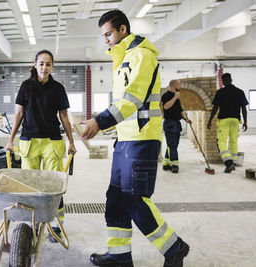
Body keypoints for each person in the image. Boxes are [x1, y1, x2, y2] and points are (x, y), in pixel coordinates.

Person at [81, 10, 189, 267]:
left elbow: (133, 99)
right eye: (103, 35)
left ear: (123, 30)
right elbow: (122, 102)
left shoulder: (141, 55)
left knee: (135, 198)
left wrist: (100, 121)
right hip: (126, 140)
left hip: (142, 139)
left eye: (108, 34)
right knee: (116, 197)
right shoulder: (123, 58)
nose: (106, 39)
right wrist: (103, 121)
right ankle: (119, 255)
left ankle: (174, 248)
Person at [5, 49, 77, 242]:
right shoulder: (25, 86)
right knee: (30, 186)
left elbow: (64, 117)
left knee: (54, 185)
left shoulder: (58, 88)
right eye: (41, 63)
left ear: (52, 66)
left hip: (52, 142)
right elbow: (19, 114)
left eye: (48, 64)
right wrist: (11, 140)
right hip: (28, 142)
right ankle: (32, 224)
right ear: (35, 65)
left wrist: (71, 141)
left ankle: (56, 224)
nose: (44, 67)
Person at [207, 73, 248, 173]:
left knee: (221, 141)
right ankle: (233, 162)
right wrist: (245, 122)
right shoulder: (240, 92)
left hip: (224, 120)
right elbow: (243, 108)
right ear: (231, 80)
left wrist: (210, 120)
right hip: (235, 120)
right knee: (233, 141)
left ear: (223, 81)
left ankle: (228, 163)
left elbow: (215, 107)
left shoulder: (220, 92)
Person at [160, 80, 192, 173]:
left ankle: (166, 164)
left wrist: (187, 119)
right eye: (179, 85)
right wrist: (174, 98)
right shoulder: (166, 96)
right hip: (169, 123)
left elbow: (181, 111)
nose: (180, 87)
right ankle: (174, 166)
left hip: (176, 124)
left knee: (173, 145)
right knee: (172, 145)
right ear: (173, 86)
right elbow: (166, 106)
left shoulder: (177, 98)